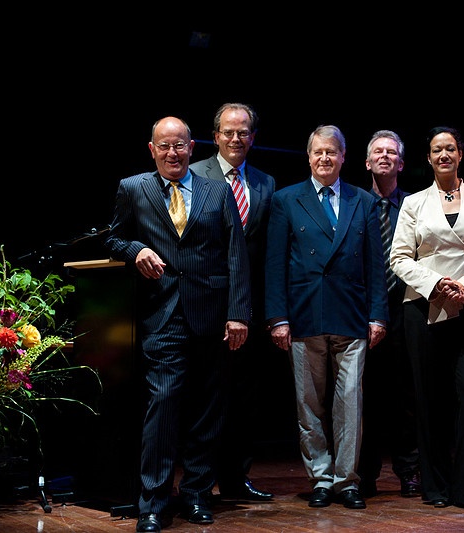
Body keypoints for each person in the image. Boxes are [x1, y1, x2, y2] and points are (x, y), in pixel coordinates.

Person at [104, 116, 251, 532]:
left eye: (180, 145)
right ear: (152, 150)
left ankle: (197, 496)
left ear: (192, 147)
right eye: (165, 146)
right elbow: (113, 238)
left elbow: (236, 254)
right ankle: (152, 502)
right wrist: (136, 250)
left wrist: (238, 313)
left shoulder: (217, 190)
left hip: (212, 316)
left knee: (207, 413)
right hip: (162, 314)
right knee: (163, 407)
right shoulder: (133, 188)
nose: (173, 153)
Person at [264, 124, 389, 510]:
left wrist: (378, 316)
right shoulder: (286, 199)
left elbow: (375, 265)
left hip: (352, 315)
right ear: (308, 157)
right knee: (309, 404)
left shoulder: (362, 201)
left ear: (343, 157)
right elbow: (275, 264)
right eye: (318, 152)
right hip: (304, 315)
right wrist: (277, 318)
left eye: (331, 152)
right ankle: (320, 477)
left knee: (350, 403)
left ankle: (346, 480)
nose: (324, 158)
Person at [390, 126, 464, 511]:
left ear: (460, 154)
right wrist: (436, 284)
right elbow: (399, 257)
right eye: (437, 150)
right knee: (429, 397)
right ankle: (435, 487)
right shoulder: (414, 203)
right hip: (424, 307)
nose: (443, 155)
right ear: (428, 158)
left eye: (450, 148)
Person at [189, 102, 278, 503]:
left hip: (249, 305)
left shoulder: (265, 183)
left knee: (245, 396)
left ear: (252, 138)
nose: (236, 138)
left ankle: (236, 479)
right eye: (229, 132)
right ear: (216, 136)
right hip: (204, 303)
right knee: (205, 397)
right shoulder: (194, 175)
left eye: (243, 132)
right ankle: (199, 480)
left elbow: (265, 250)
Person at [357, 130, 421, 499]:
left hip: (406, 309)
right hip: (362, 312)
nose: (384, 156)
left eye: (391, 152)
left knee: (406, 396)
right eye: (378, 151)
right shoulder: (354, 202)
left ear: (401, 163)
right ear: (367, 162)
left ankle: (409, 470)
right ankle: (365, 472)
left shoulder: (415, 205)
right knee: (366, 397)